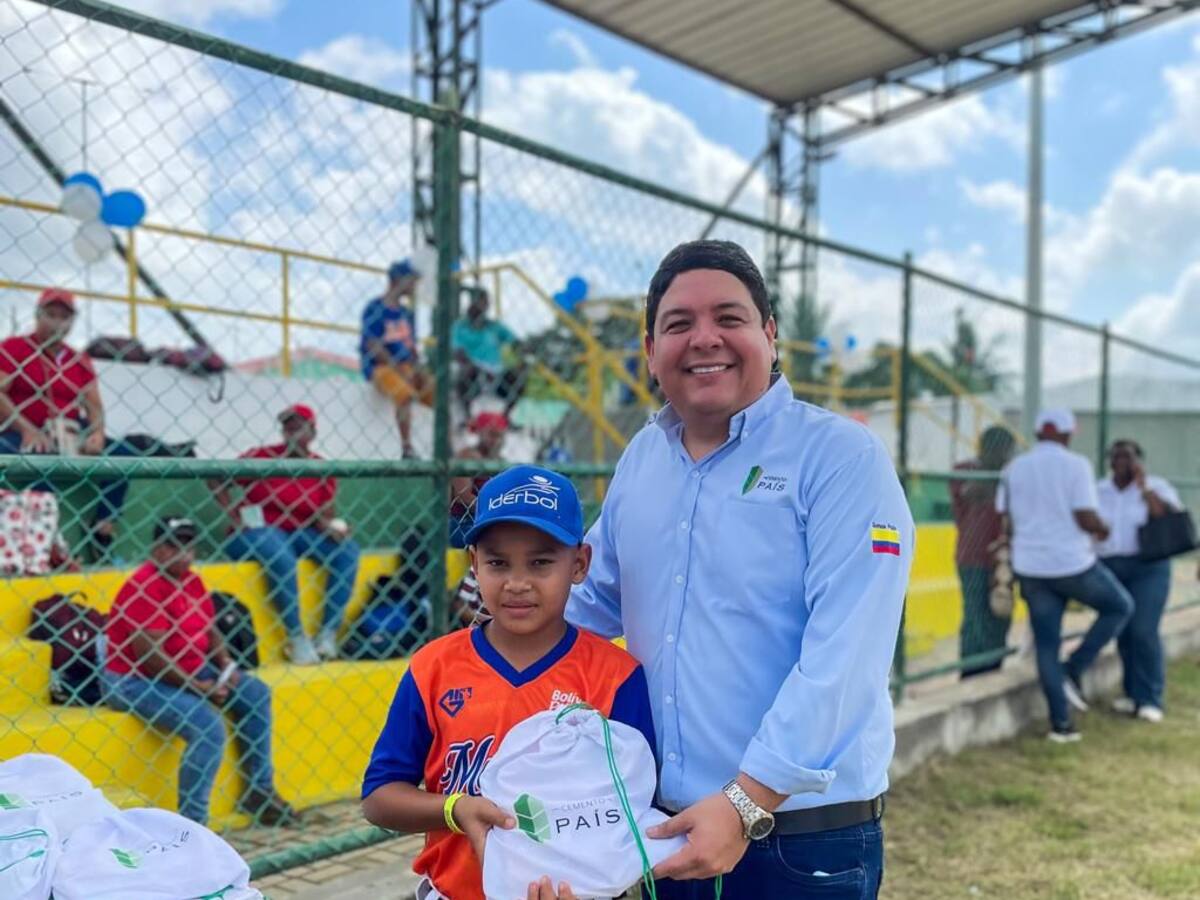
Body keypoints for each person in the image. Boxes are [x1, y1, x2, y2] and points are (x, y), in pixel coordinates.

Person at [564, 240, 913, 900]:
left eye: (729, 317)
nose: (704, 339)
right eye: (678, 324)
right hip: (663, 831)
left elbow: (848, 658)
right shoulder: (643, 458)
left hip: (798, 840)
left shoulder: (839, 459)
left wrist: (746, 802)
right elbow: (589, 602)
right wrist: (498, 599)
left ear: (770, 335)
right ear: (649, 350)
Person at [361, 465, 656, 900]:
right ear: (474, 564)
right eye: (498, 562)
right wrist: (453, 808)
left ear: (579, 564)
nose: (517, 583)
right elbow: (380, 797)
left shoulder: (615, 676)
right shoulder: (434, 666)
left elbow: (635, 812)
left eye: (540, 562)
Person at [102, 516, 294, 827]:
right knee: (207, 727)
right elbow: (150, 656)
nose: (184, 554)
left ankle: (259, 790)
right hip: (134, 680)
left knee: (255, 693)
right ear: (158, 549)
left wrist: (226, 665)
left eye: (189, 546)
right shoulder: (144, 585)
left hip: (187, 670)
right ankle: (193, 826)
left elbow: (211, 629)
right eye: (173, 546)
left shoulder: (191, 580)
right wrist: (197, 687)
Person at [997, 408, 1134, 743]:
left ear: (1039, 432)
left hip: (1031, 565)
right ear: (1066, 433)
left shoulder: (1014, 467)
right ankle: (1074, 669)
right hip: (1071, 563)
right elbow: (1085, 516)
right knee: (1120, 606)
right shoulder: (1077, 465)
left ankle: (1062, 727)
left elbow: (1007, 521)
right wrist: (1102, 529)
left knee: (1046, 643)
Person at [217, 404, 361, 666]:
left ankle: (327, 635)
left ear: (313, 431)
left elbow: (324, 515)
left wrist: (331, 526)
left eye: (298, 425)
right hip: (260, 530)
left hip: (303, 531)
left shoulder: (320, 467)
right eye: (287, 426)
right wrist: (233, 514)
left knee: (347, 551)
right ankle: (297, 639)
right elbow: (217, 477)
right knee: (280, 554)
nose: (291, 430)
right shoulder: (264, 456)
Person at [0, 288, 130, 561]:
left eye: (63, 316)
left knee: (124, 456)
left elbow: (94, 405)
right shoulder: (14, 348)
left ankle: (102, 531)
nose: (57, 322)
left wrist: (97, 432)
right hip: (19, 429)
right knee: (39, 457)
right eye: (51, 314)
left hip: (69, 431)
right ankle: (48, 544)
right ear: (37, 315)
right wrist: (26, 429)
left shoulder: (78, 359)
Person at [1096, 439, 1183, 722]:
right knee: (1124, 631)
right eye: (1116, 456)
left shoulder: (1156, 486)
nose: (1121, 462)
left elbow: (1162, 516)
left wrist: (1144, 487)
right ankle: (1132, 694)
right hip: (1111, 565)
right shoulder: (1099, 490)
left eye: (1128, 457)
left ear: (1138, 461)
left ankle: (1150, 698)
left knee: (1144, 629)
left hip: (1149, 567)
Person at [950, 426, 1018, 677]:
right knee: (976, 616)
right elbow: (972, 494)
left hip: (1005, 557)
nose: (1006, 455)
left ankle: (993, 667)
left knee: (1001, 614)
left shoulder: (1011, 474)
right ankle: (971, 671)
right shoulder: (964, 470)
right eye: (999, 449)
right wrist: (994, 467)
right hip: (974, 555)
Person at [361, 260, 434, 458]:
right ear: (398, 280)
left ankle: (443, 448)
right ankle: (407, 447)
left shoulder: (405, 313)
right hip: (382, 367)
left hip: (406, 365)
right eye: (411, 281)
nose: (414, 286)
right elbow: (372, 345)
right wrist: (399, 368)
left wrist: (417, 368)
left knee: (436, 394)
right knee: (404, 394)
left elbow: (411, 348)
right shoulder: (375, 308)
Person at [452, 288, 526, 419]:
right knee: (464, 374)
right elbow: (458, 352)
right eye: (480, 302)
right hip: (474, 370)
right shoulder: (460, 326)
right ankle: (467, 417)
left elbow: (515, 342)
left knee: (518, 376)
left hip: (496, 371)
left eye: (486, 303)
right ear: (471, 303)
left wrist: (521, 357)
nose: (484, 306)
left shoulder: (494, 326)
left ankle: (505, 417)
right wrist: (474, 366)